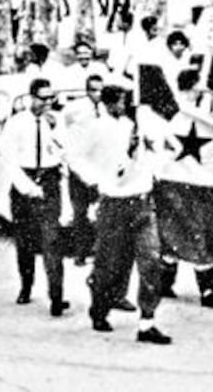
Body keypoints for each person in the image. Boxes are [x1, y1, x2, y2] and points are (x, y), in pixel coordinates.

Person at [86, 86, 172, 345]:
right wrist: (98, 177)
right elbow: (75, 156)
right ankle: (99, 307)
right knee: (109, 266)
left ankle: (147, 322)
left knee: (151, 263)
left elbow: (162, 149)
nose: (127, 106)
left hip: (143, 203)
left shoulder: (140, 125)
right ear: (111, 104)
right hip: (114, 204)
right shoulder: (96, 128)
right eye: (123, 102)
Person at [155, 69, 213, 309]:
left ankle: (204, 288)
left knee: (196, 231)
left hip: (196, 181)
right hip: (175, 180)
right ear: (191, 87)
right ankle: (174, 283)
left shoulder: (197, 113)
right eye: (199, 85)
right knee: (176, 231)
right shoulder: (180, 114)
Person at [4, 78, 67, 316]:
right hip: (24, 181)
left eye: (51, 98)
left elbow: (64, 152)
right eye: (43, 98)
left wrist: (54, 130)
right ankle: (26, 285)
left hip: (49, 179)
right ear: (31, 97)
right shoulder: (16, 123)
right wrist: (28, 187)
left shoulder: (56, 121)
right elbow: (9, 158)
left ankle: (56, 296)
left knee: (52, 239)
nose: (47, 102)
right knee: (25, 240)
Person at [61, 74, 106, 265]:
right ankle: (80, 252)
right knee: (80, 211)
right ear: (87, 91)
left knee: (101, 209)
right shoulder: (74, 109)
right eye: (94, 90)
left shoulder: (105, 108)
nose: (98, 94)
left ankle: (99, 251)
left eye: (101, 90)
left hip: (99, 166)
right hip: (79, 166)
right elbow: (64, 132)